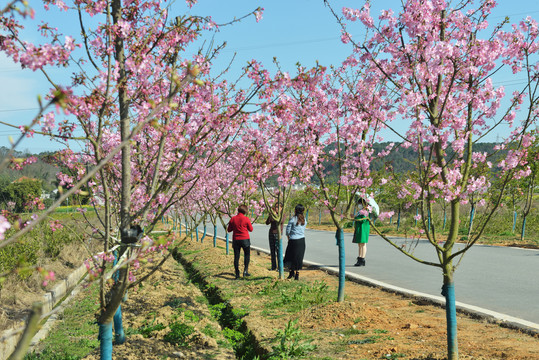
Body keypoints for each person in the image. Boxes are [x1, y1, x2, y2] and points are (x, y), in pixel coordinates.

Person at [227, 205, 253, 279]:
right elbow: (251, 229)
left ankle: (237, 273)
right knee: (247, 255)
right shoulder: (246, 219)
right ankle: (245, 271)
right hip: (245, 239)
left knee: (236, 256)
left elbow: (229, 230)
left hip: (236, 240)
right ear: (245, 211)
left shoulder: (233, 219)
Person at [283, 204, 306, 280]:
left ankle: (291, 272)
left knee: (290, 256)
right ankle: (297, 275)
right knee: (299, 258)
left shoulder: (292, 219)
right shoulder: (304, 220)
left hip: (293, 240)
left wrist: (289, 238)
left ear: (295, 210)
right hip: (302, 241)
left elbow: (287, 231)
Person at [265, 203, 283, 271]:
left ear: (281, 208)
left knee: (278, 251)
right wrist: (271, 215)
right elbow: (267, 222)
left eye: (278, 207)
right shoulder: (272, 214)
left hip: (278, 234)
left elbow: (280, 221)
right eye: (275, 207)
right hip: (271, 233)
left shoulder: (282, 215)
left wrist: (275, 215)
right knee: (272, 251)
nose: (276, 208)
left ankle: (280, 267)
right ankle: (273, 266)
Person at [353, 198, 370, 266]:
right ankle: (359, 258)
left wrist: (356, 218)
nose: (359, 205)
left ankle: (362, 259)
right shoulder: (360, 211)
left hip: (363, 229)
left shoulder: (366, 211)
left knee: (363, 244)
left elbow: (363, 220)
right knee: (359, 244)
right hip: (359, 228)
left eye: (360, 203)